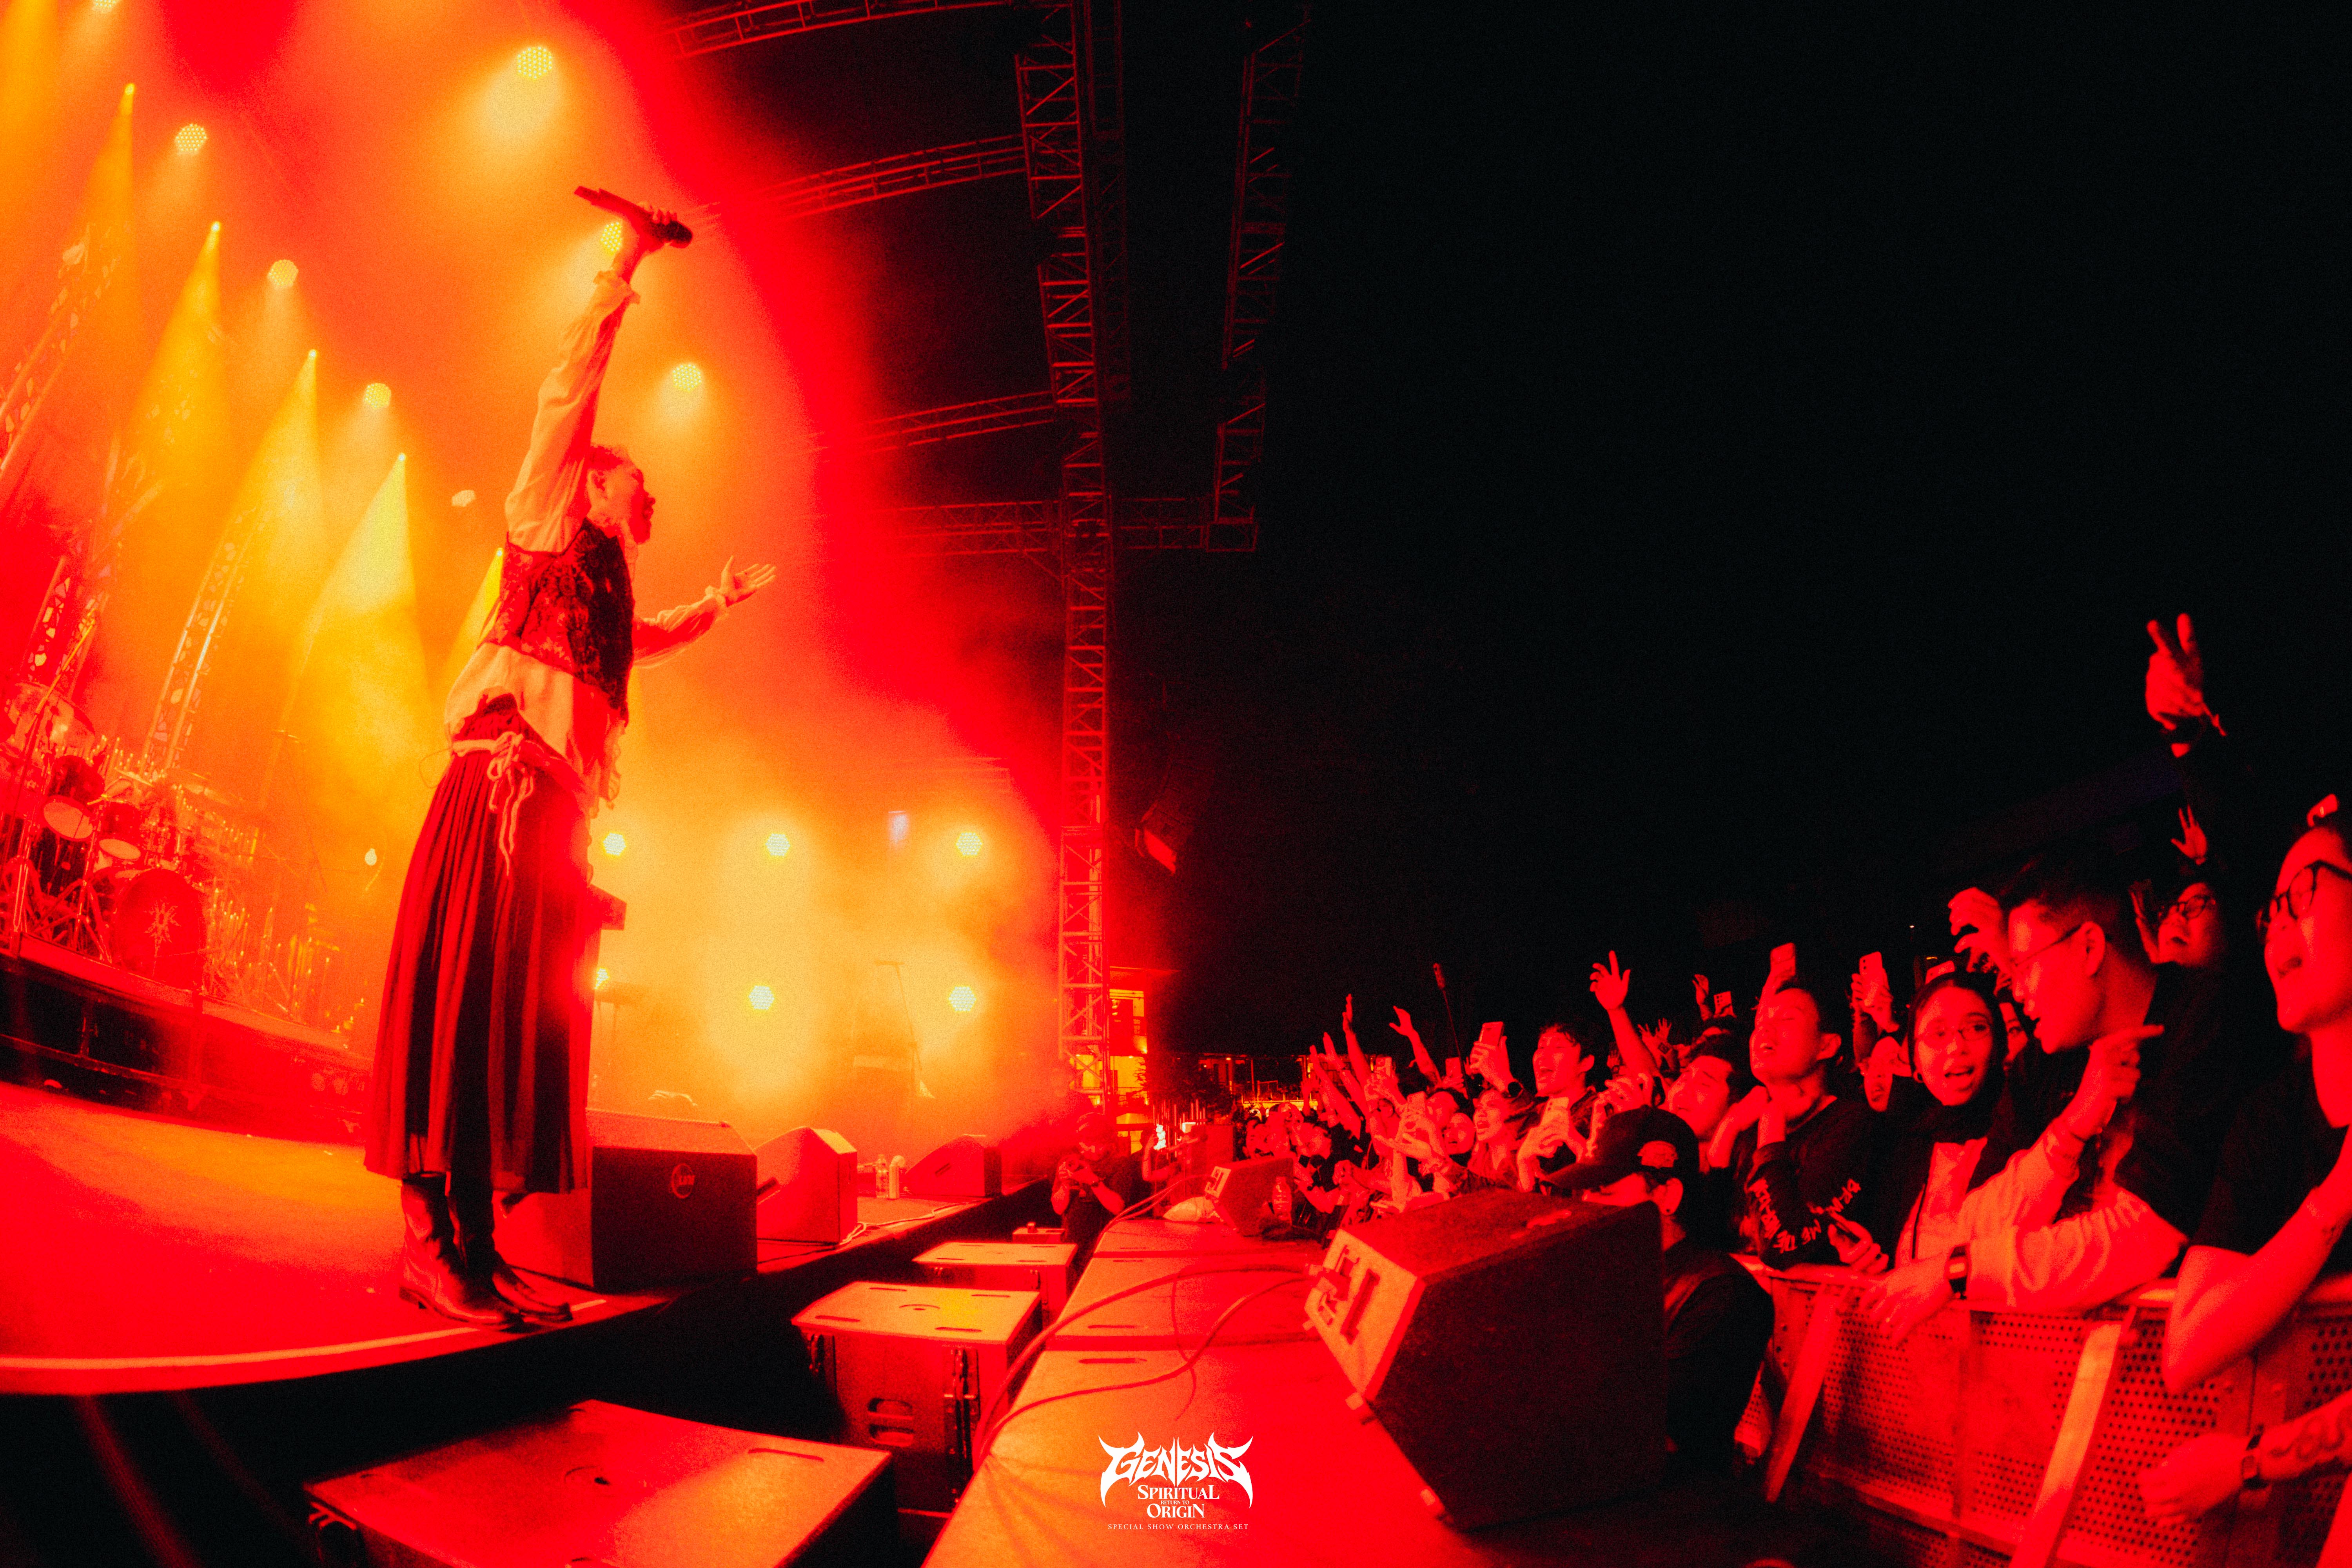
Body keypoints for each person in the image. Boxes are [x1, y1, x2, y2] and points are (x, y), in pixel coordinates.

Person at [365, 200, 775, 1329]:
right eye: (639, 480)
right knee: (463, 1017)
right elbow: (568, 390)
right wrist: (620, 266)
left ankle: (478, 1245)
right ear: (593, 483)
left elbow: (637, 642)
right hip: (496, 795)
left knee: (509, 1028)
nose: (653, 495)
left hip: (546, 815)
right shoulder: (548, 516)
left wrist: (714, 607)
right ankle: (427, 1248)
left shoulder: (602, 580)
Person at [1863, 846, 2282, 1339]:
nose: (2017, 990)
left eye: (2024, 965)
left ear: (2088, 948)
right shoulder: (2047, 1060)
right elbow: (1971, 1223)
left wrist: (1962, 1271)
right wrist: (2072, 1127)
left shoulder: (2205, 1022)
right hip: (2066, 1359)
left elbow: (2143, 1236)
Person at [2141, 815, 2352, 1524]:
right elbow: (2188, 1347)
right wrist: (2334, 1200)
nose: (2278, 925)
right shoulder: (2271, 1118)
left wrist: (2252, 1461)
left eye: (2305, 892)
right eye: (2271, 910)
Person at [1558, 1107, 1775, 1477]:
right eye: (1585, 1193)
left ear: (1667, 1195)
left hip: (1670, 1496)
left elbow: (1659, 1432)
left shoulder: (1721, 1293)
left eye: (1604, 1192)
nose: (1587, 1207)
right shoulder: (1612, 1278)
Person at [1717, 971, 1873, 1267]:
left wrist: (1771, 1132)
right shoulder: (1748, 1123)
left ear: (1826, 1046)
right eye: (1761, 1022)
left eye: (1787, 1019)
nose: (1765, 1029)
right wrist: (1728, 1131)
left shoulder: (1851, 1124)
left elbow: (1785, 1244)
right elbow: (1705, 1239)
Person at [1053, 1112, 1145, 1256]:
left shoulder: (1120, 1164)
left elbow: (1118, 1207)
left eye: (1101, 1143)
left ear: (1110, 1142)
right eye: (1088, 1143)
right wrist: (1065, 1186)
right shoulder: (1069, 1163)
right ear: (1079, 1142)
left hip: (1108, 1243)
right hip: (1073, 1244)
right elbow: (1058, 1209)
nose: (1095, 1149)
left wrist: (1092, 1180)